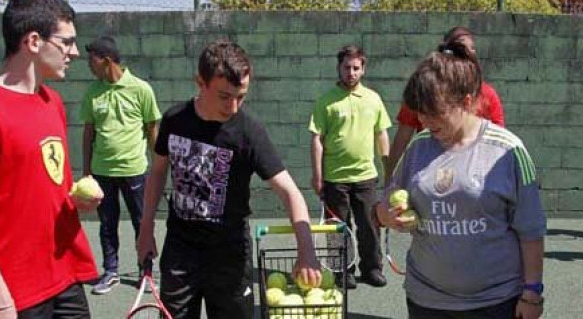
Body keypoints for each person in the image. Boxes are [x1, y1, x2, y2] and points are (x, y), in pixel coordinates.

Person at [0, 0, 101, 318]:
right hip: (15, 293)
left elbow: (43, 183)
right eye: (66, 42)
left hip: (66, 276)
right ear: (33, 41)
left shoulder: (52, 102)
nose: (73, 52)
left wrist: (75, 201)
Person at [136, 40, 321, 319]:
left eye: (241, 96)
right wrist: (146, 227)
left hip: (230, 253)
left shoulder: (249, 131)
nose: (233, 106)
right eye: (224, 96)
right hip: (180, 249)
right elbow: (158, 171)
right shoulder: (174, 120)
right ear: (200, 82)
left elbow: (289, 192)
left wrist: (306, 250)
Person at [377, 41, 546, 319]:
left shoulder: (508, 151)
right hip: (426, 300)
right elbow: (386, 203)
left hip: (495, 302)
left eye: (435, 113)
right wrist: (385, 214)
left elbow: (531, 232)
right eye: (420, 112)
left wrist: (532, 293)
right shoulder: (418, 147)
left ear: (466, 102)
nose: (425, 120)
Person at [81, 36, 161, 295]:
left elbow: (152, 129)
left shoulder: (141, 89)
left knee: (142, 222)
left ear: (105, 61)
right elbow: (88, 133)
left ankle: (146, 272)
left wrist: (160, 166)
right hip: (102, 171)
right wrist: (86, 172)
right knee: (107, 224)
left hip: (135, 170)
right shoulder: (92, 92)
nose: (88, 64)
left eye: (91, 59)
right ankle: (111, 271)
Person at [309, 44, 391, 289]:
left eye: (356, 68)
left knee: (369, 225)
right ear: (339, 68)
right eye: (347, 67)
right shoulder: (326, 102)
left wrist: (388, 169)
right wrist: (318, 176)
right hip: (335, 178)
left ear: (363, 69)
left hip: (366, 177)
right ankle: (341, 272)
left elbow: (382, 134)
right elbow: (317, 140)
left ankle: (372, 269)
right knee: (337, 229)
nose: (351, 72)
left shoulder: (374, 99)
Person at [387, 26, 505, 182]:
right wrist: (390, 182)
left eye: (471, 49)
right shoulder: (422, 91)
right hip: (427, 176)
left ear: (467, 102)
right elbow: (401, 140)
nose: (425, 119)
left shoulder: (487, 94)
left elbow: (498, 143)